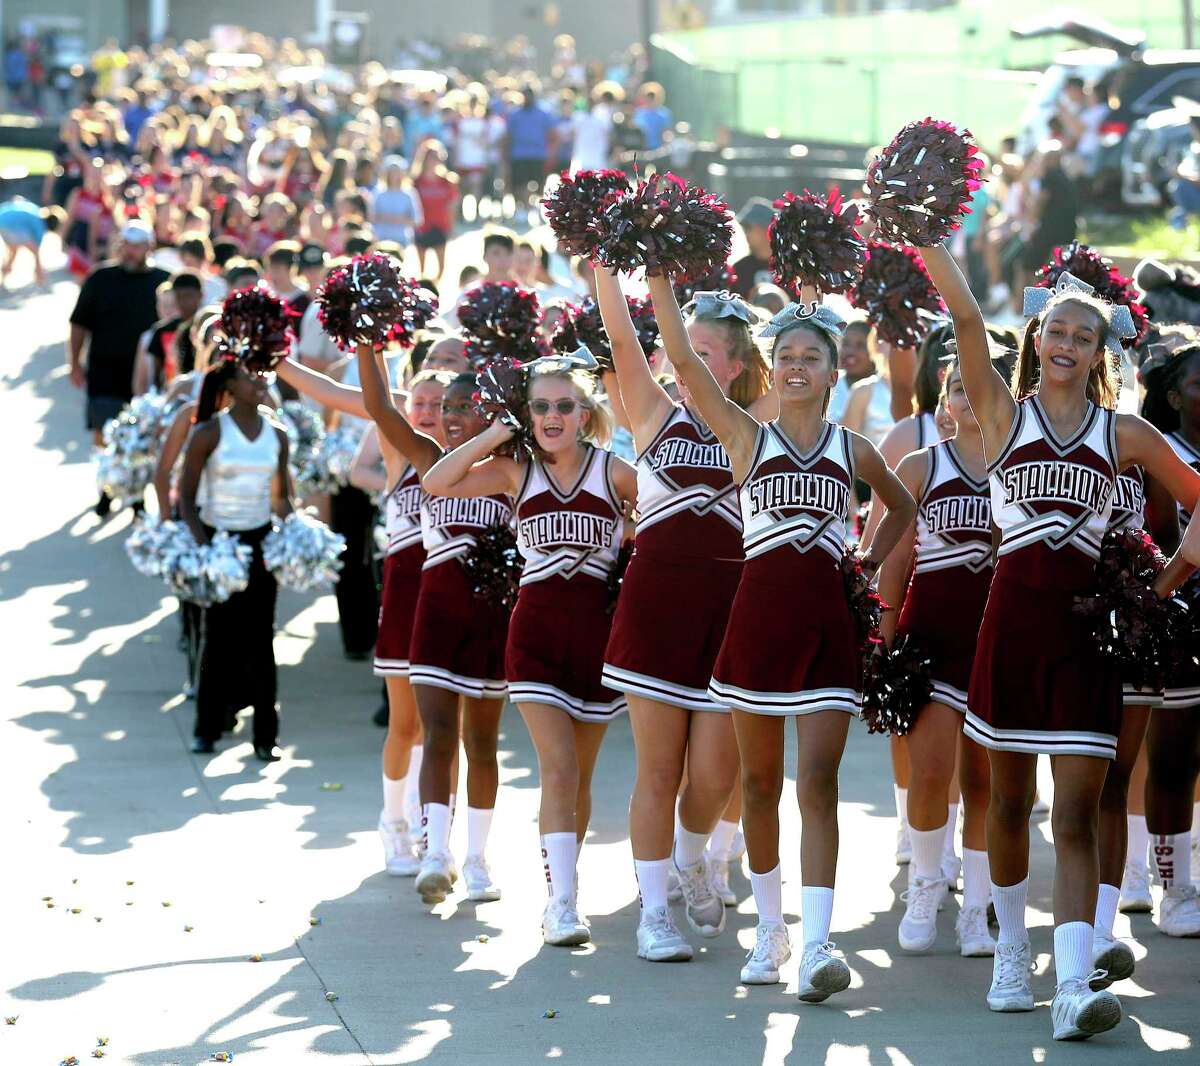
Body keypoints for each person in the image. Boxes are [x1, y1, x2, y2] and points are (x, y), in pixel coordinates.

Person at [920, 242, 1200, 1040]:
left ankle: (1073, 983)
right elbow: (969, 323)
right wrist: (936, 241)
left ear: (1100, 349)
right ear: (1038, 338)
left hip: (1086, 639)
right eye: (1058, 332)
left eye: (1085, 336)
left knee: (1077, 812)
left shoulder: (1127, 433)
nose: (1069, 345)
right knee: (1009, 803)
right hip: (1008, 628)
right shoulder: (1004, 415)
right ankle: (1013, 954)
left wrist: (1162, 587)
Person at [667, 292, 914, 999]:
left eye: (811, 357)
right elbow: (686, 364)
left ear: (836, 370)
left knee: (821, 785)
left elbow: (901, 504)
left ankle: (817, 942)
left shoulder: (852, 447)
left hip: (824, 628)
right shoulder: (748, 438)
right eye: (786, 357)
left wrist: (866, 562)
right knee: (758, 786)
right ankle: (770, 929)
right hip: (757, 625)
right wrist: (659, 282)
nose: (797, 366)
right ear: (769, 369)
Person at [423, 354, 637, 947]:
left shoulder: (615, 473)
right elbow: (437, 482)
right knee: (560, 768)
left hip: (596, 638)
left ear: (585, 413)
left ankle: (567, 890)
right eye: (540, 406)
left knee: (582, 778)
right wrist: (496, 431)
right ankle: (561, 906)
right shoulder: (515, 472)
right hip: (535, 635)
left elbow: (664, 525)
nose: (551, 416)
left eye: (565, 406)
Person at [596, 276, 771, 961]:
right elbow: (621, 340)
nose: (684, 358)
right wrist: (607, 268)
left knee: (715, 777)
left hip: (730, 613)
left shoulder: (759, 424)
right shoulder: (653, 410)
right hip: (656, 610)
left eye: (702, 350)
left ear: (732, 365)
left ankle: (693, 856)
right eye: (681, 349)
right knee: (658, 771)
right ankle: (653, 915)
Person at [277, 352, 457, 881]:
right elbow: (336, 396)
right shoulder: (401, 446)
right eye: (418, 402)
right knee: (407, 722)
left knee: (448, 727)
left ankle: (437, 831)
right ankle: (393, 821)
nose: (425, 411)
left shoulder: (473, 455)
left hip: (455, 594)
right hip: (406, 589)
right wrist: (277, 359)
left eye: (438, 404)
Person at [876, 360, 996, 958]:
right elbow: (892, 566)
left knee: (985, 780)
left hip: (998, 639)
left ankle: (976, 906)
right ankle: (925, 883)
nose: (968, 396)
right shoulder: (921, 466)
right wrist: (885, 644)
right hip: (930, 640)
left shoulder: (1023, 468)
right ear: (942, 400)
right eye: (957, 386)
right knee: (929, 770)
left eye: (982, 386)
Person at [177, 352, 292, 761]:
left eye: (262, 375)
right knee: (218, 638)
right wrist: (205, 547)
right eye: (250, 377)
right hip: (219, 540)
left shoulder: (277, 434)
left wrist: (295, 536)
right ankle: (206, 728)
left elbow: (282, 498)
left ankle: (266, 736)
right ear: (229, 388)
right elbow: (186, 499)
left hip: (260, 541)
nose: (260, 382)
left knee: (262, 638)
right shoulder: (208, 432)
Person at [1139, 342, 1200, 936]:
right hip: (1183, 621)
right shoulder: (1166, 458)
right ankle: (1175, 888)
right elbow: (1154, 543)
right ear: (1175, 396)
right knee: (1175, 759)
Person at [69, 219, 171, 512]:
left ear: (149, 247)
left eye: (138, 246)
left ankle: (137, 497)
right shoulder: (100, 278)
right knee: (103, 434)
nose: (131, 252)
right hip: (104, 372)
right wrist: (74, 363)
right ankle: (106, 490)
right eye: (127, 245)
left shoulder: (163, 281)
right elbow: (79, 324)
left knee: (141, 439)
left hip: (146, 376)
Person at [412, 141, 459, 282]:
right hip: (422, 226)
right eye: (430, 157)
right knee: (421, 269)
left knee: (441, 268)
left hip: (440, 226)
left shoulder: (447, 181)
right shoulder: (416, 181)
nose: (433, 160)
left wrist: (451, 226)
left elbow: (452, 206)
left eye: (436, 157)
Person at [504, 88, 555, 207]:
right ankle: (524, 207)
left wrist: (551, 152)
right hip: (519, 154)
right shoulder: (515, 114)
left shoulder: (543, 114)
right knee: (520, 184)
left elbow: (552, 133)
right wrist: (506, 154)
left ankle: (535, 206)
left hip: (537, 155)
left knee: (538, 184)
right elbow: (508, 135)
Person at [0, 197, 61, 286]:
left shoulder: (35, 209)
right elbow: (36, 248)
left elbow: (17, 199)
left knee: (13, 251)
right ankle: (40, 278)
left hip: (3, 216)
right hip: (7, 225)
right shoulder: (40, 225)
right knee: (34, 252)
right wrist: (38, 266)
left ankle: (4, 274)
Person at [372, 155, 421, 251]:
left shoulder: (409, 193)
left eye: (397, 172)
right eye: (391, 172)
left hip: (401, 240)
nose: (394, 175)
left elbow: (417, 220)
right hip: (381, 238)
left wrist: (400, 220)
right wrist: (384, 217)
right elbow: (372, 217)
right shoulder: (378, 192)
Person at [731, 198, 775, 298]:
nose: (746, 234)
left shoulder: (788, 268)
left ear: (766, 229)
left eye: (748, 227)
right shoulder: (740, 268)